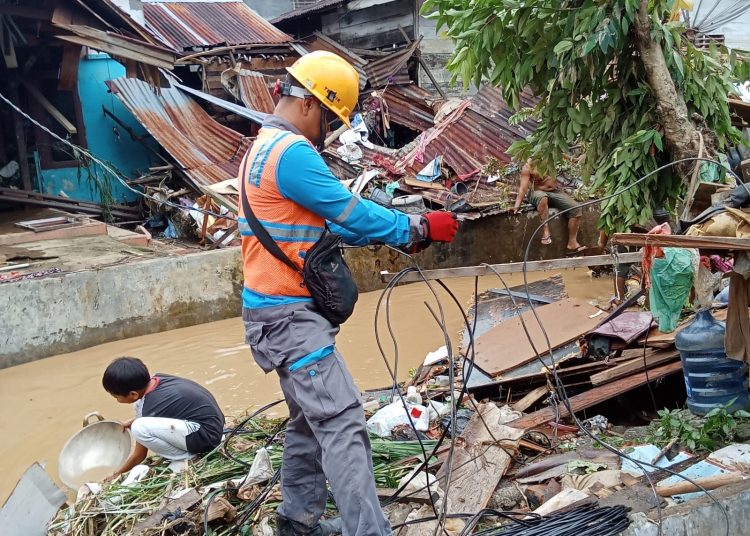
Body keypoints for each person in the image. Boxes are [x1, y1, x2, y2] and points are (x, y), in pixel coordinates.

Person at [238, 51, 458, 536]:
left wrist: (400, 231)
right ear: (312, 106)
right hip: (291, 320)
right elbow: (348, 210)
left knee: (306, 421)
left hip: (268, 316)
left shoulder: (259, 150)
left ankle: (297, 522)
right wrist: (415, 224)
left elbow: (319, 231)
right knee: (342, 423)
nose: (330, 133)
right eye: (332, 120)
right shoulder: (292, 154)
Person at [102, 357, 225, 478]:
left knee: (138, 428)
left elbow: (139, 454)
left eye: (116, 397)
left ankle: (187, 456)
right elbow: (165, 409)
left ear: (133, 394)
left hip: (208, 438)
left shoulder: (150, 406)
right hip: (214, 425)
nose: (117, 400)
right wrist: (134, 419)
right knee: (138, 415)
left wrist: (118, 473)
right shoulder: (159, 378)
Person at [513, 159, 586, 255]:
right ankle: (545, 229)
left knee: (576, 208)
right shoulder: (528, 166)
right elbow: (523, 188)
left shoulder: (552, 155)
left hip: (555, 192)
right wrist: (516, 206)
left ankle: (572, 243)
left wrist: (577, 159)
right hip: (536, 193)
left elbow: (567, 157)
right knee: (542, 197)